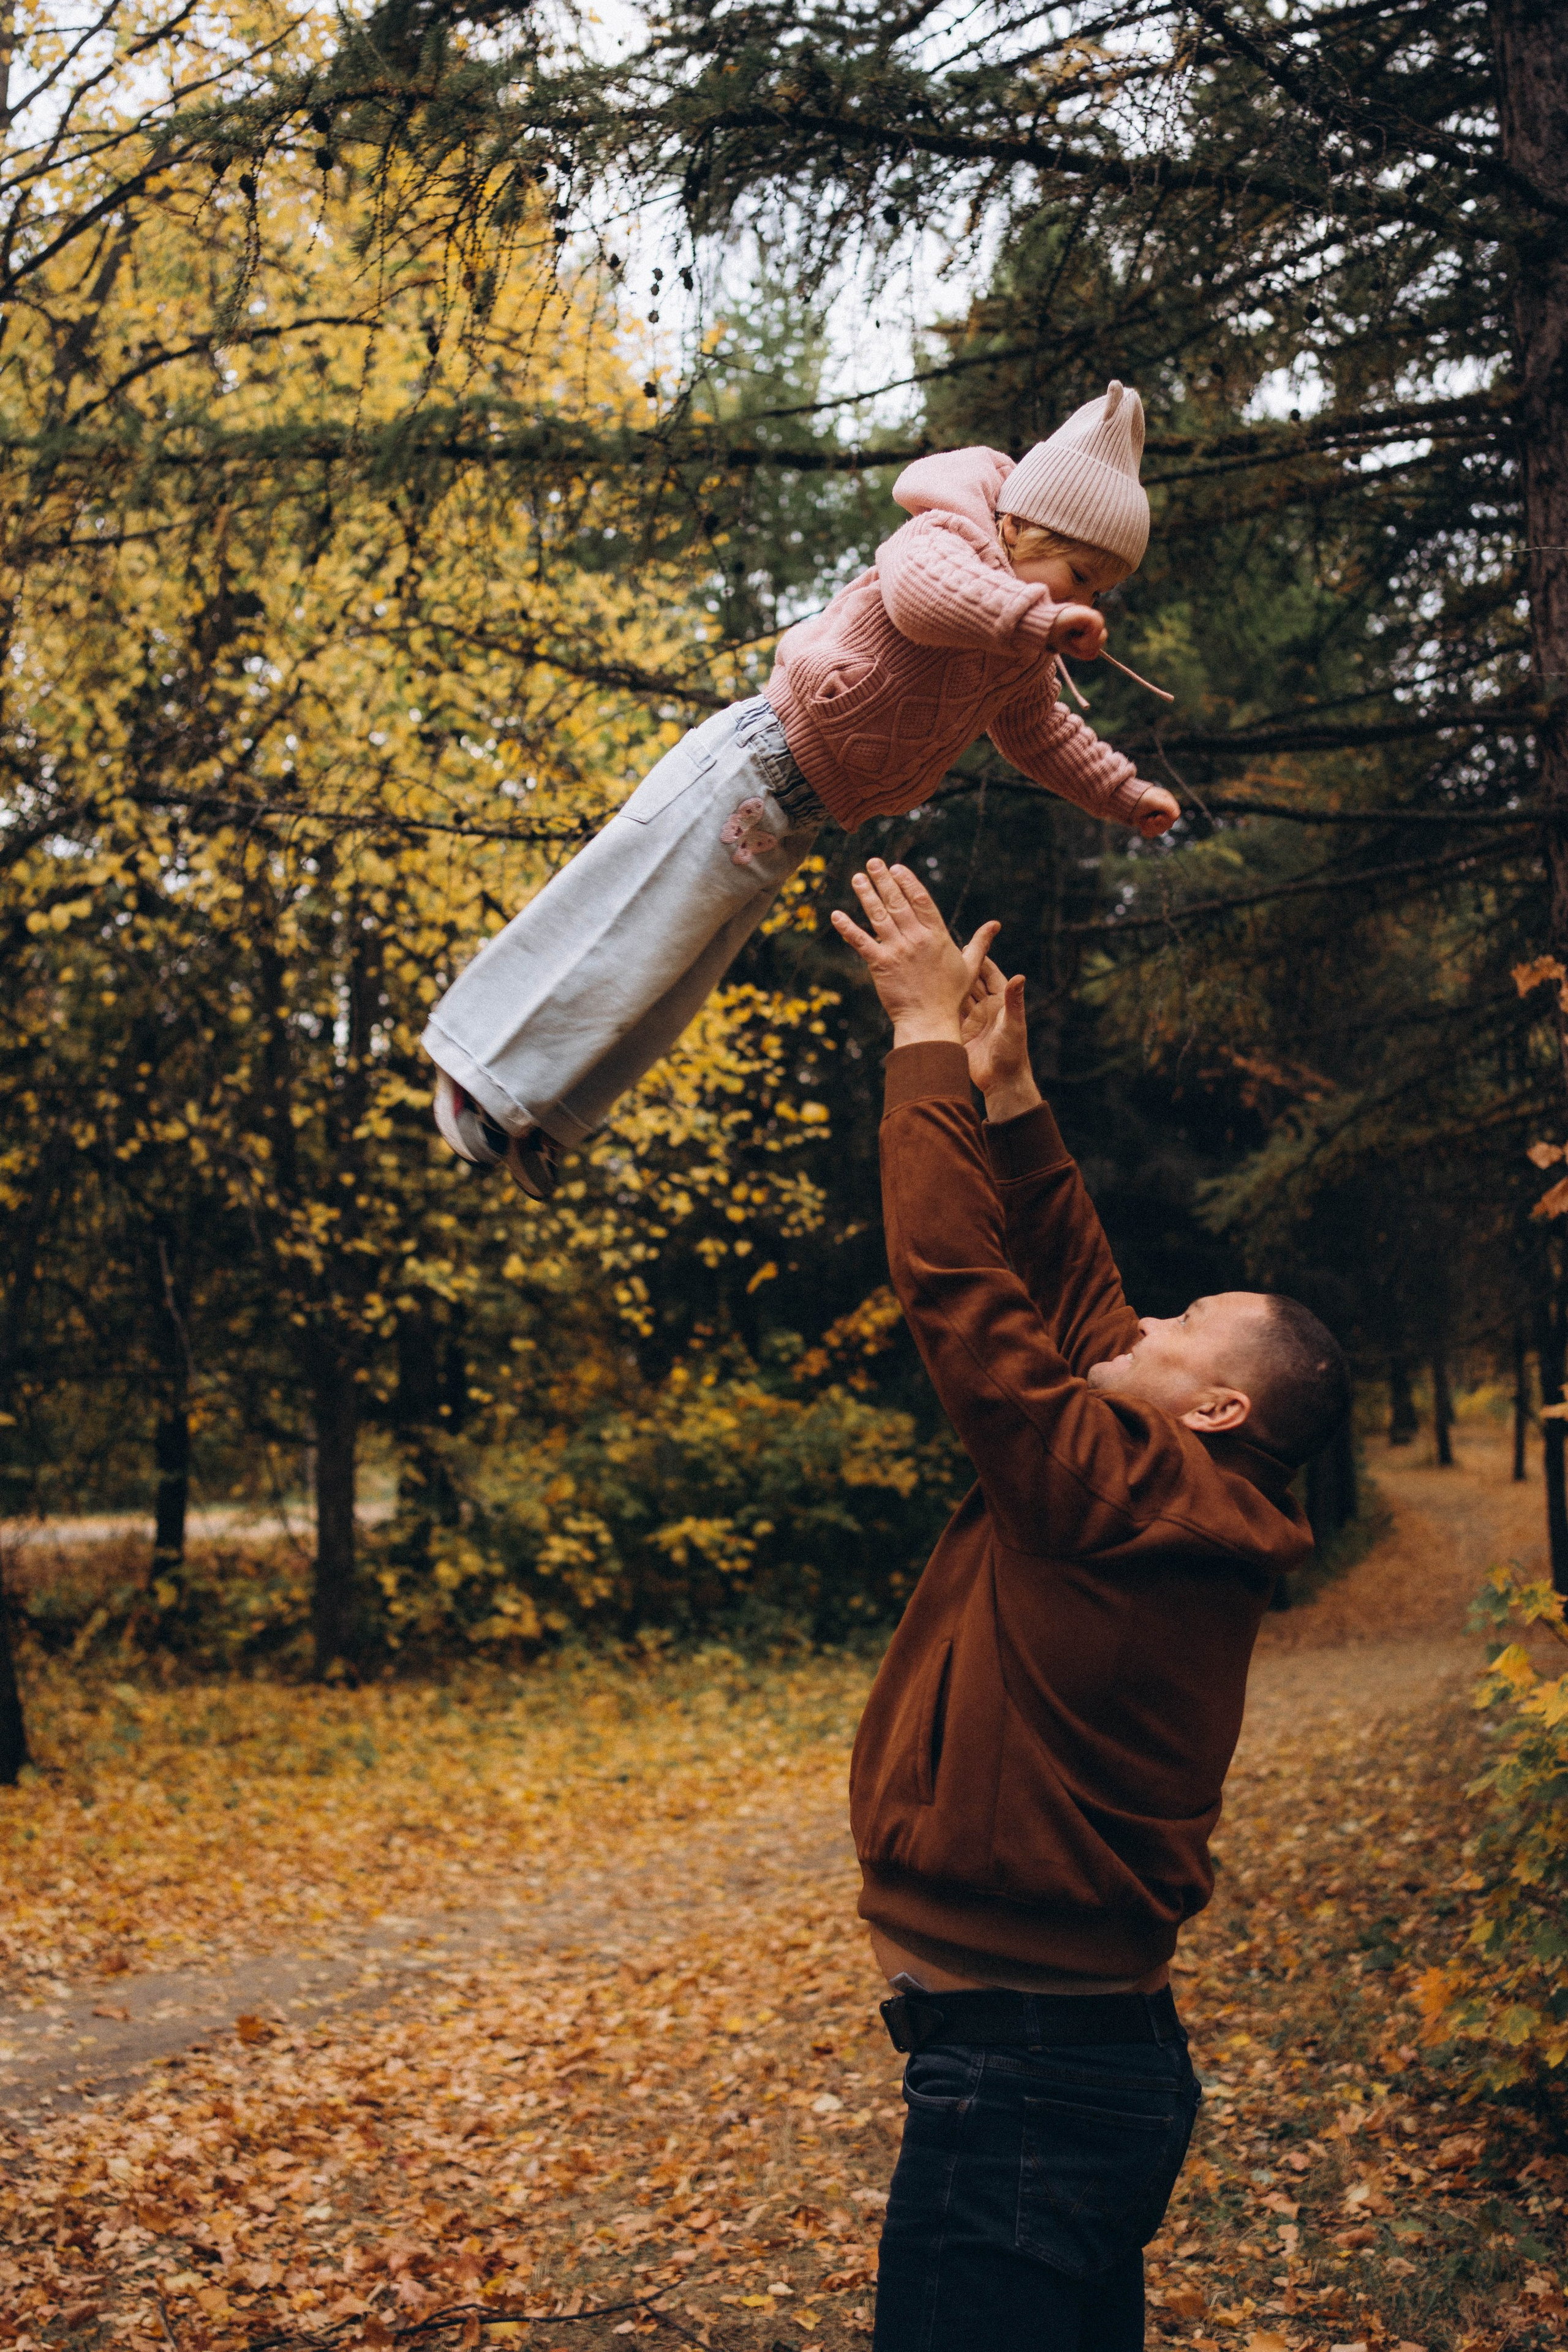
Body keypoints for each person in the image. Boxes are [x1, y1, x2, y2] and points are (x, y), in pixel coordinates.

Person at [828, 859, 1349, 2352]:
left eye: (1187, 1325)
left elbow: (963, 1300)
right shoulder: (1164, 1493)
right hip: (1063, 2073)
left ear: (1218, 1409)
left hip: (1025, 2094)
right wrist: (1010, 1101)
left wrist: (921, 1045)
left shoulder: (1114, 1496)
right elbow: (1087, 1320)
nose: (1146, 1318)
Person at [421, 382, 1182, 1199]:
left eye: (1099, 592)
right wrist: (1033, 617)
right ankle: (480, 1066)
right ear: (1023, 527)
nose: (1083, 600)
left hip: (794, 816)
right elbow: (925, 597)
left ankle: (547, 1109)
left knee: (679, 965)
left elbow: (1040, 733)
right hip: (748, 766)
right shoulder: (946, 537)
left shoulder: (1024, 651)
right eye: (1080, 574)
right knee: (626, 916)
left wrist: (1122, 793)